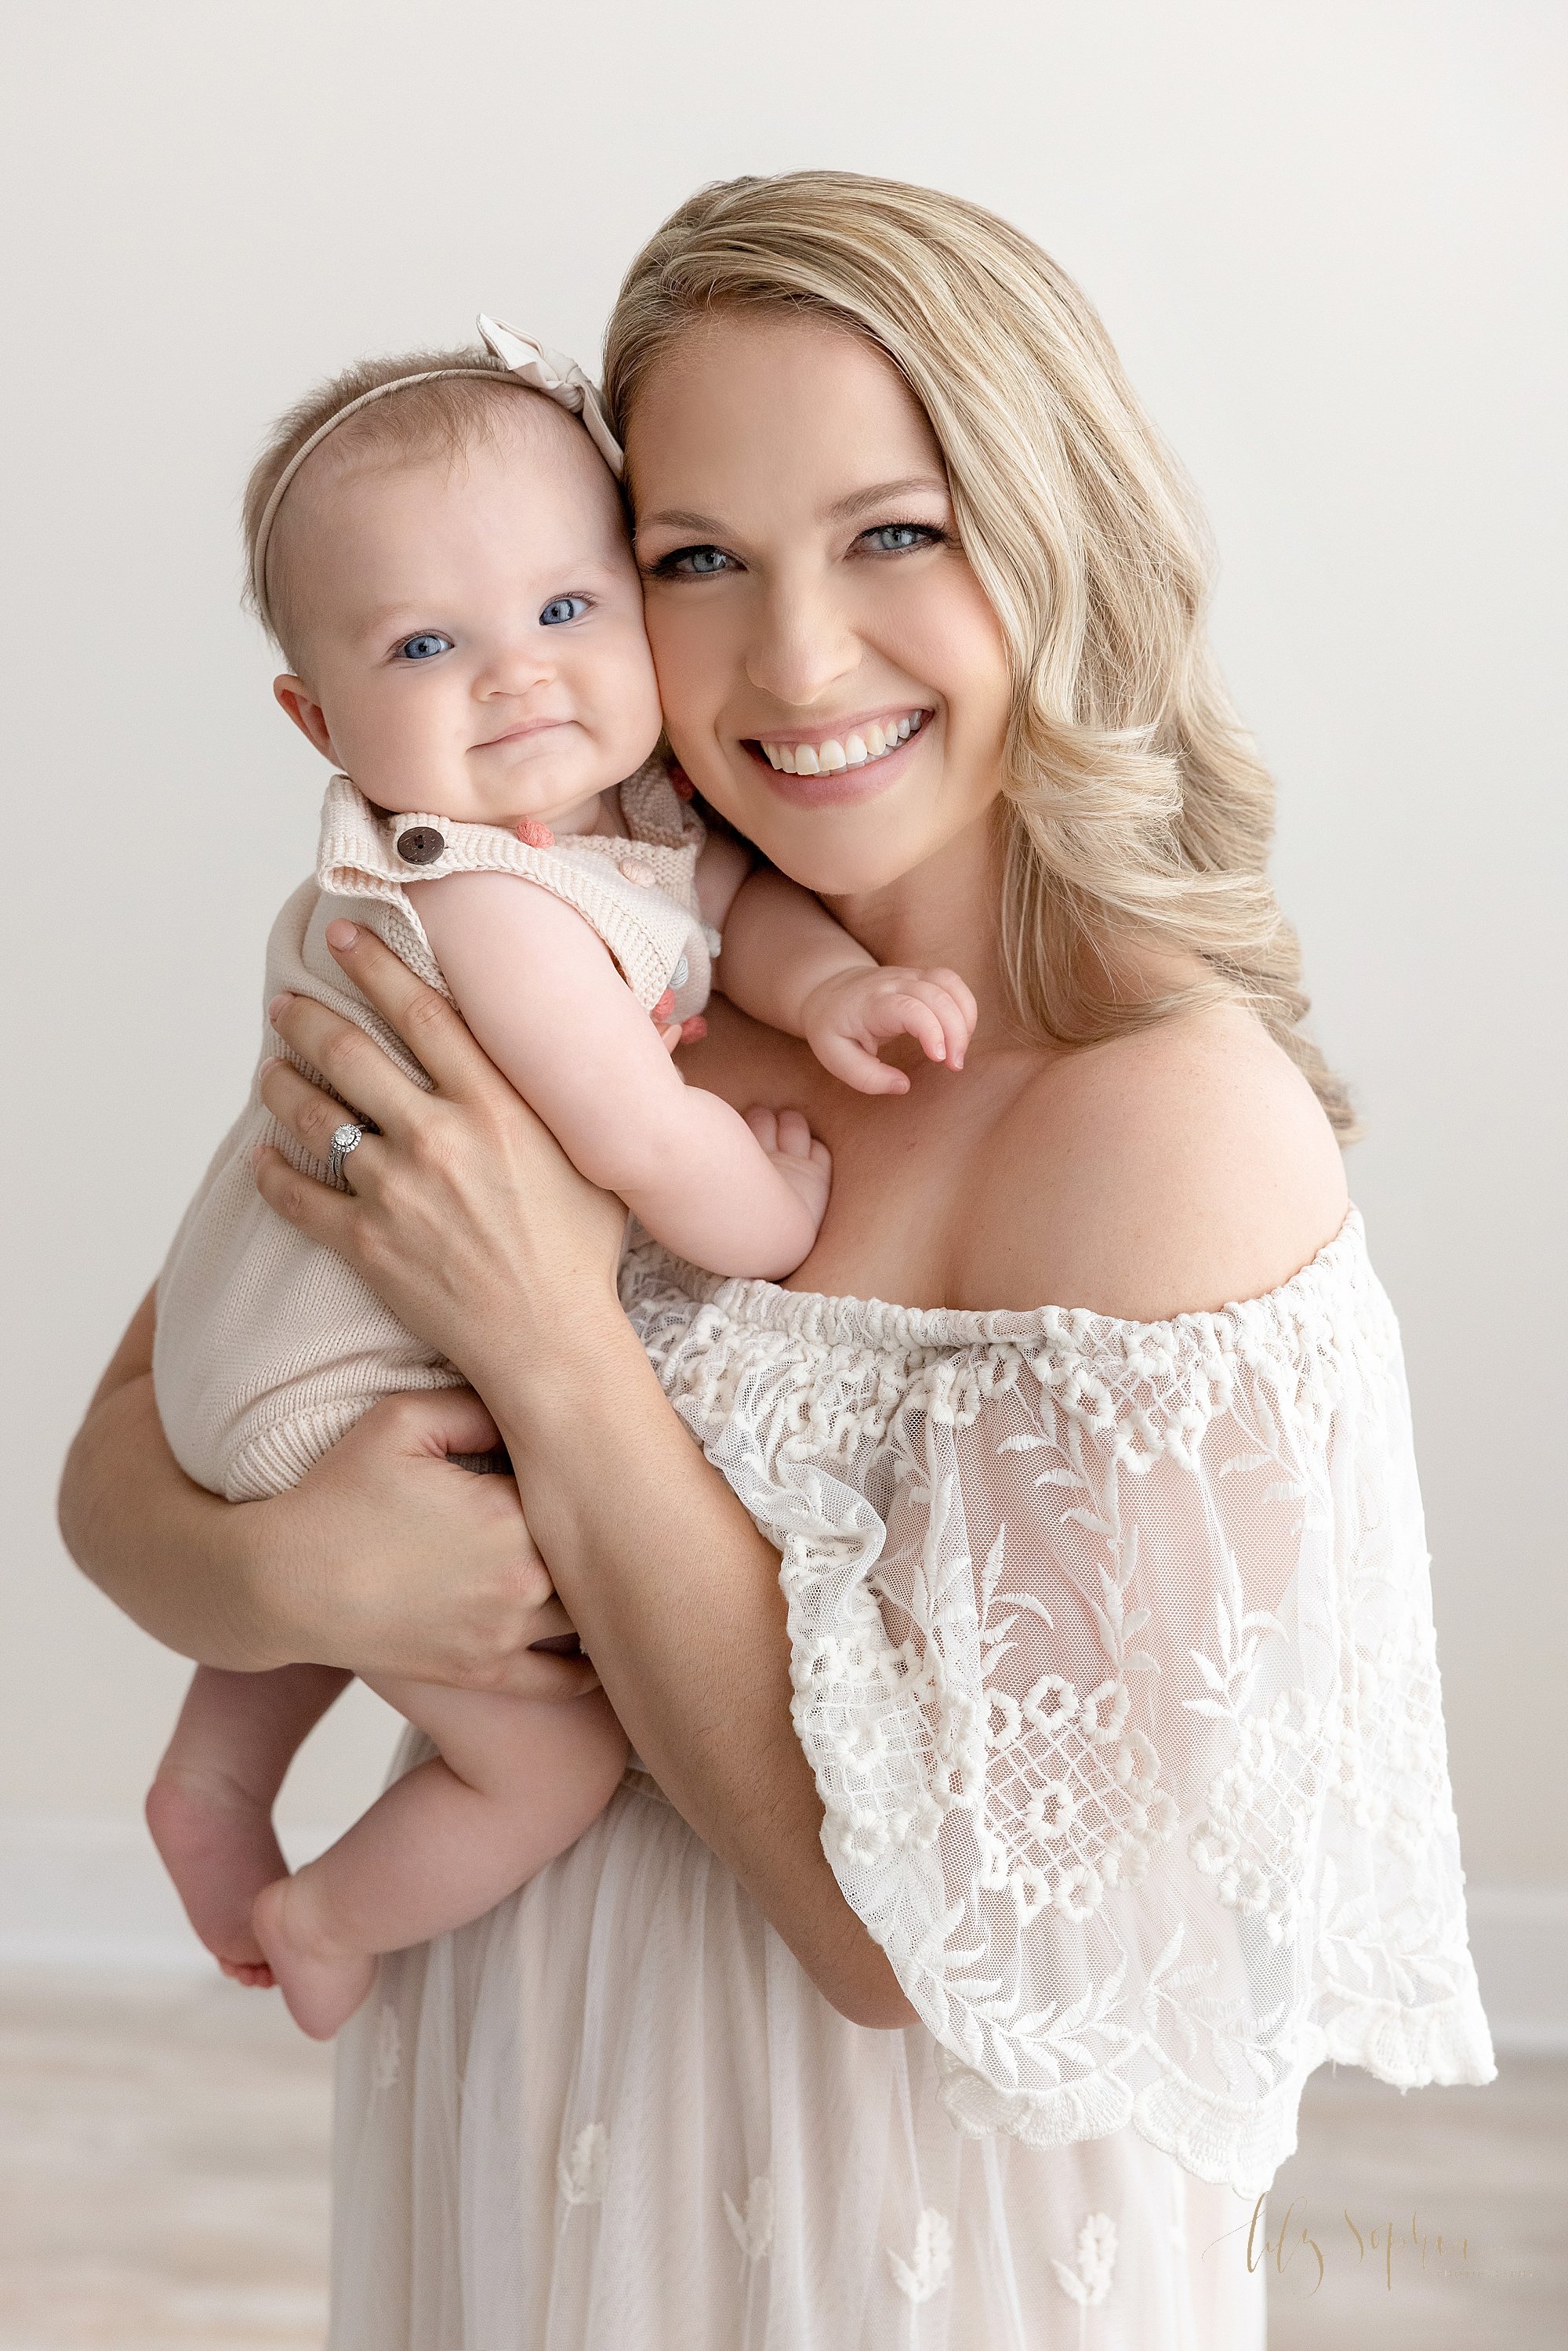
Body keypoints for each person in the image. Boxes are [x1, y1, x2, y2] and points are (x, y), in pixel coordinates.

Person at [59, 171, 1495, 2349]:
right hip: (518, 2107)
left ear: (1056, 529)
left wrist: (551, 1340)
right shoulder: (566, 951)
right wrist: (295, 1589)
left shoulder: (1163, 1128)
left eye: (894, 532)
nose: (797, 657)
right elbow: (118, 1475)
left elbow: (894, 1949)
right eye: (695, 560)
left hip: (870, 2237)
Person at [144, 317, 975, 2041]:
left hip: (264, 1344)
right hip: (332, 1372)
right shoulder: (486, 906)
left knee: (328, 1585)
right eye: (428, 643)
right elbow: (638, 1138)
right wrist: (777, 1215)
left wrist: (838, 993)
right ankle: (320, 1913)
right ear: (317, 715)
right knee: (547, 1753)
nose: (516, 675)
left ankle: (212, 1782)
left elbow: (733, 917)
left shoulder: (620, 819)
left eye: (566, 611)